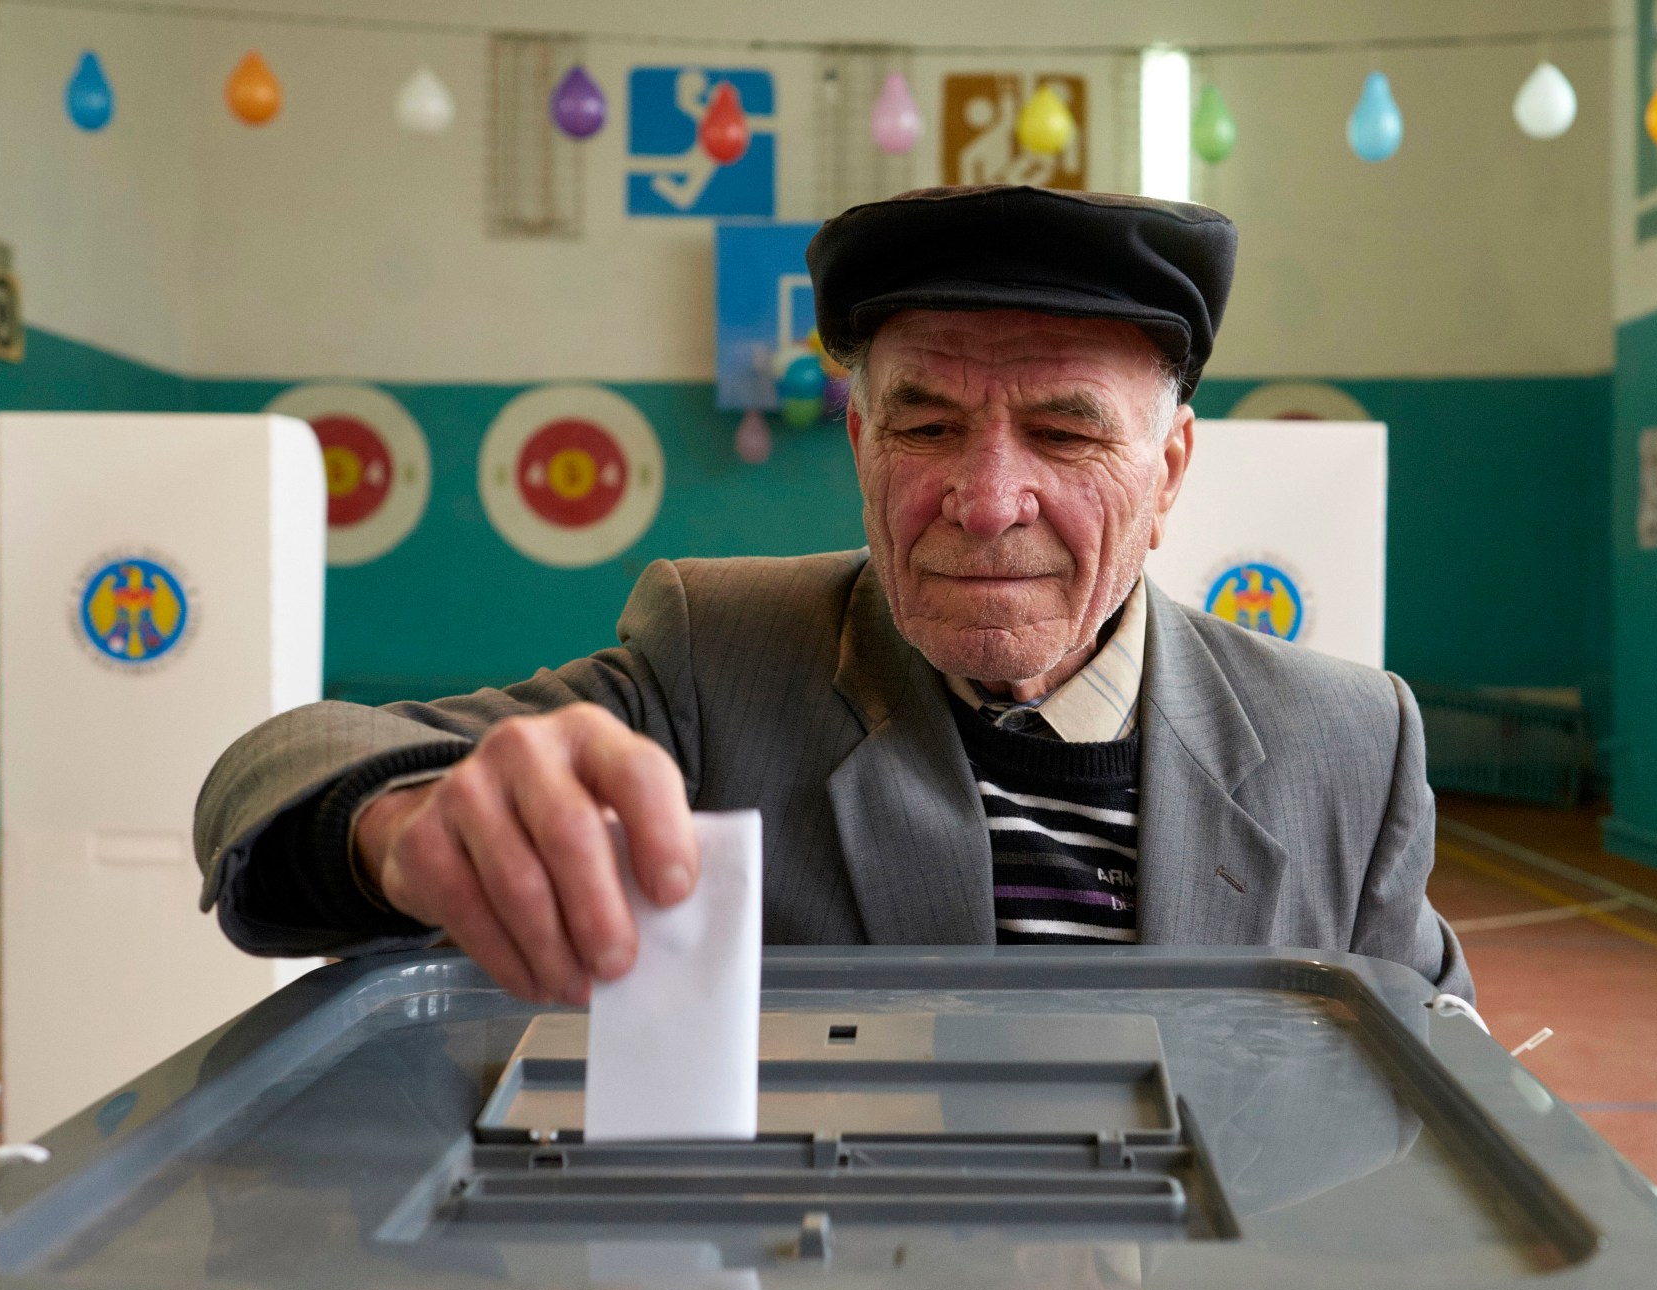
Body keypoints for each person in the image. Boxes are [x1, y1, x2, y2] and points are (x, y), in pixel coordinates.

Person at [194, 184, 1471, 1007]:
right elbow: (284, 761)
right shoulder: (719, 660)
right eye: (925, 424)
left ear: (1168, 471)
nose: (983, 498)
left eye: (1065, 436)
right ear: (860, 443)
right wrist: (401, 822)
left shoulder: (1346, 745)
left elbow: (1430, 1085)